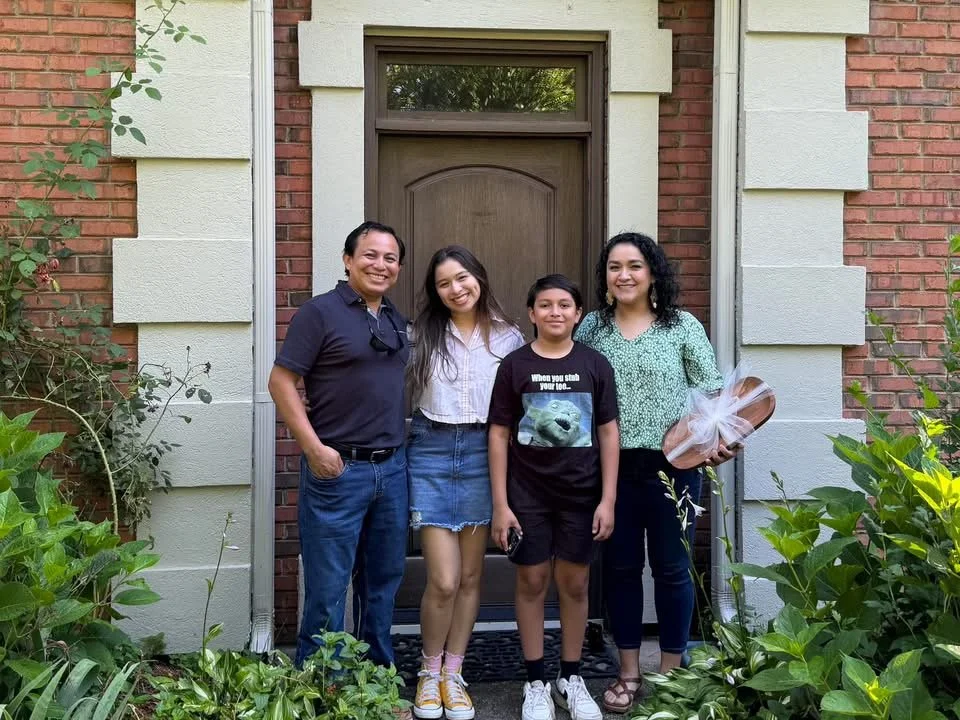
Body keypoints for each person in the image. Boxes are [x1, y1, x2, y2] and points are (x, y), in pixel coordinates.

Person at [574, 232, 735, 714]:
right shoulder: (591, 330)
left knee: (672, 570)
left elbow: (711, 398)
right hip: (612, 468)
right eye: (614, 267)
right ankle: (628, 672)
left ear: (652, 273)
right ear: (605, 277)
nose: (624, 275)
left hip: (676, 467)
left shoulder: (682, 326)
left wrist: (718, 440)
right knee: (621, 570)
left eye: (635, 266)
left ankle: (670, 674)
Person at [268, 220, 412, 718]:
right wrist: (311, 447)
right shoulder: (320, 313)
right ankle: (321, 692)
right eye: (370, 255)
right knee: (329, 590)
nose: (381, 265)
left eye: (390, 258)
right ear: (348, 260)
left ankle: (375, 683)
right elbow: (281, 381)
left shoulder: (394, 317)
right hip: (337, 470)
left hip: (392, 470)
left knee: (382, 584)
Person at [488, 274, 619, 720]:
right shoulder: (515, 366)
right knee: (531, 581)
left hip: (582, 495)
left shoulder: (595, 364)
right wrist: (501, 503)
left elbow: (607, 432)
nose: (555, 312)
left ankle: (571, 676)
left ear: (578, 314)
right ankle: (535, 681)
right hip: (527, 496)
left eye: (565, 304)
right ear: (531, 313)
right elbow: (499, 433)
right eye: (545, 305)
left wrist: (608, 499)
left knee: (575, 583)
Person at [406, 246, 524, 720]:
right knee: (444, 579)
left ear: (479, 276)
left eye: (462, 278)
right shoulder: (420, 336)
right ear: (435, 292)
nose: (456, 289)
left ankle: (454, 674)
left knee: (472, 577)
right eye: (443, 283)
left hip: (484, 452)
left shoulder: (509, 337)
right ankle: (427, 673)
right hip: (431, 450)